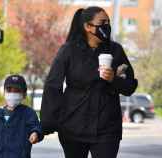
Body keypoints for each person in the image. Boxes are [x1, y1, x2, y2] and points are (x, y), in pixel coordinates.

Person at [40, 6, 138, 158]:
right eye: (102, 22)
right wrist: (48, 122)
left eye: (108, 22)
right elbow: (53, 85)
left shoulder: (115, 50)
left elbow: (130, 86)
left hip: (107, 128)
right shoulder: (69, 50)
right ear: (88, 27)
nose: (107, 26)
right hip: (73, 126)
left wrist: (113, 79)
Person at [0, 75, 44, 158]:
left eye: (17, 91)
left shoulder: (28, 113)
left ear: (24, 94)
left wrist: (35, 133)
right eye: (9, 90)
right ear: (4, 92)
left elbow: (36, 126)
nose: (12, 93)